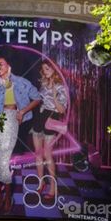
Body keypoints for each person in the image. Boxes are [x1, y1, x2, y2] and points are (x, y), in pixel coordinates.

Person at [0, 51, 40, 215]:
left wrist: (23, 111)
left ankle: (8, 197)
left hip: (11, 119)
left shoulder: (22, 82)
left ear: (9, 65)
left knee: (2, 160)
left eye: (1, 65)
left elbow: (37, 98)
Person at [31, 60, 69, 193]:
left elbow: (62, 110)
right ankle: (41, 183)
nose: (45, 71)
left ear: (54, 69)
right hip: (39, 117)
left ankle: (53, 188)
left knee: (48, 155)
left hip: (51, 118)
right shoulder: (44, 83)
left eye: (47, 69)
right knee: (38, 153)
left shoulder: (61, 87)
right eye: (43, 69)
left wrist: (54, 94)